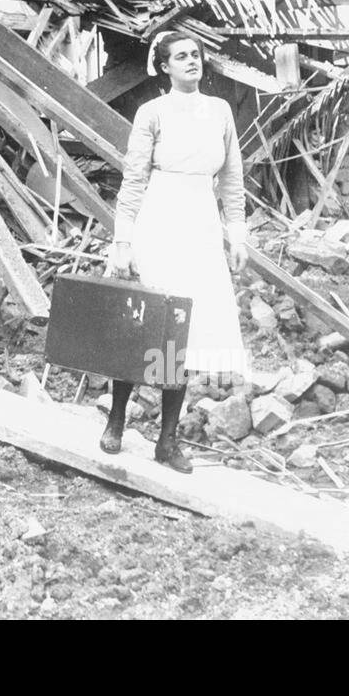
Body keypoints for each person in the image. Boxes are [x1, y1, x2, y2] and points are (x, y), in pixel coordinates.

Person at [103, 30, 249, 473]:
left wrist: (237, 233)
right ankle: (116, 420)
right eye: (181, 56)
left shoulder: (220, 111)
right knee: (145, 326)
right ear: (163, 66)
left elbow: (232, 179)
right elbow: (133, 180)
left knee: (184, 335)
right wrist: (122, 241)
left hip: (201, 225)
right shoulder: (152, 113)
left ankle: (168, 440)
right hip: (160, 220)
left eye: (196, 55)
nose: (192, 61)